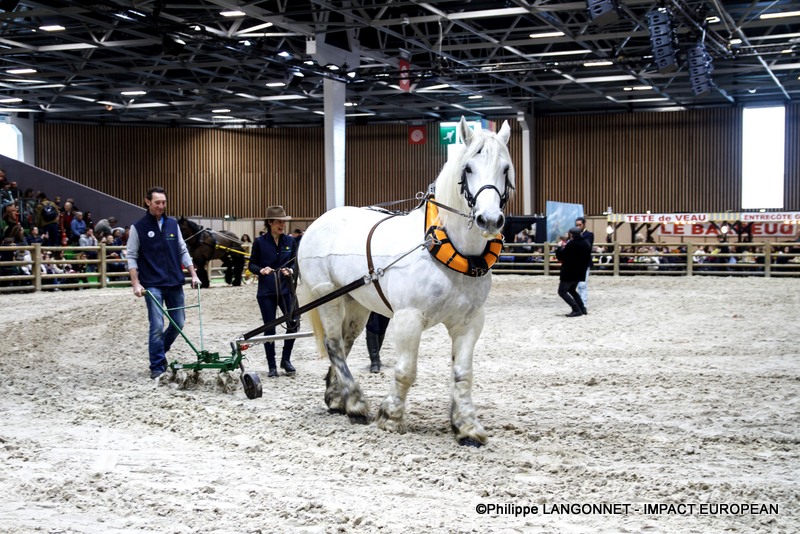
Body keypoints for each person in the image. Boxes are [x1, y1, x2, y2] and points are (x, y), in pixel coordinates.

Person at [126, 187, 201, 380]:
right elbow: (132, 256)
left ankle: (160, 351)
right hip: (153, 285)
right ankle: (157, 366)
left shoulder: (172, 224)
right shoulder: (138, 227)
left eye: (164, 202)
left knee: (179, 323)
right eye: (157, 202)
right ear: (147, 202)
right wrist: (135, 283)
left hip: (175, 282)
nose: (161, 206)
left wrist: (193, 274)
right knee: (157, 326)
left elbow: (182, 250)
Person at [248, 206, 299, 378]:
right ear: (270, 222)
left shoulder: (290, 241)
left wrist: (291, 270)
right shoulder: (259, 242)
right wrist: (261, 270)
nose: (282, 225)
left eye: (283, 222)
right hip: (266, 292)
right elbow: (252, 264)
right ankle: (272, 365)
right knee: (270, 329)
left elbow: (294, 262)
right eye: (278, 222)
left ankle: (286, 359)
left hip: (286, 290)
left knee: (294, 324)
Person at [555, 226, 592, 317]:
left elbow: (561, 257)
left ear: (571, 234)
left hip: (569, 272)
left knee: (562, 291)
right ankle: (582, 308)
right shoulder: (586, 243)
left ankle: (576, 309)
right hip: (580, 271)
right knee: (572, 290)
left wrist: (559, 248)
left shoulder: (572, 244)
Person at [574, 216, 594, 309]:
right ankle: (579, 303)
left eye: (580, 225)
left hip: (584, 262)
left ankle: (584, 304)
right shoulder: (574, 235)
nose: (578, 227)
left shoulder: (589, 234)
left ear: (584, 224)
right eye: (576, 225)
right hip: (575, 262)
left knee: (583, 284)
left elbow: (587, 246)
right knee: (576, 284)